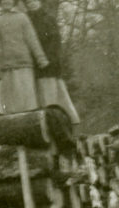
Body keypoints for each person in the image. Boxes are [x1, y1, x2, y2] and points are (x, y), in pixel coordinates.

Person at [24, 0, 80, 133]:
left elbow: (55, 42)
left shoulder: (48, 19)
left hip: (49, 64)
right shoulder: (25, 20)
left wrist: (48, 60)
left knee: (53, 99)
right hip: (32, 66)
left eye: (34, 1)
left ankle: (61, 126)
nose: (31, 4)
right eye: (28, 2)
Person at [0, 0, 48, 114]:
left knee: (26, 101)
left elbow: (32, 39)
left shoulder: (22, 18)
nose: (7, 2)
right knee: (7, 104)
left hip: (23, 65)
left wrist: (41, 58)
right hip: (3, 67)